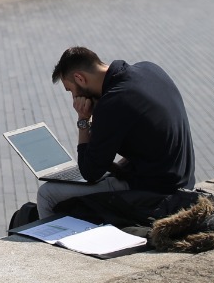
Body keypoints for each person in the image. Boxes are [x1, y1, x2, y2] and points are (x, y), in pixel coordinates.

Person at [37, 46, 197, 219]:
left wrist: (83, 120)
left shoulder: (113, 102)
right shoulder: (149, 69)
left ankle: (47, 243)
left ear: (79, 78)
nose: (74, 98)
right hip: (183, 181)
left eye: (71, 90)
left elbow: (90, 173)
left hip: (156, 192)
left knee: (47, 194)